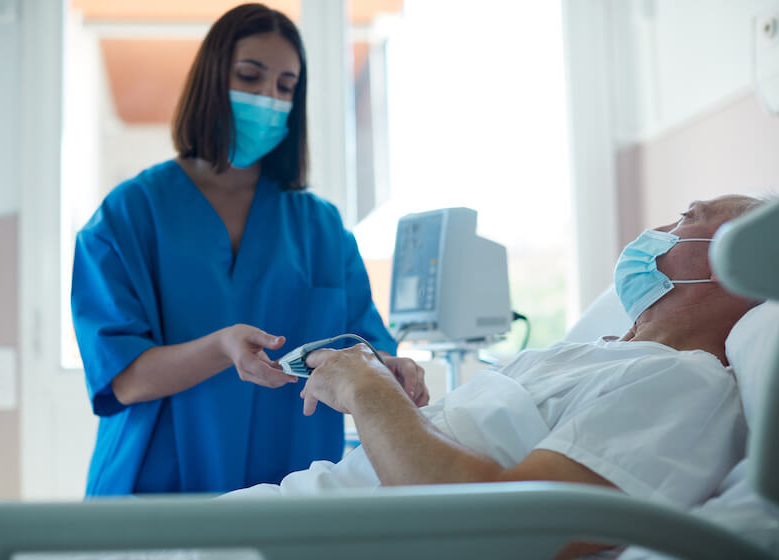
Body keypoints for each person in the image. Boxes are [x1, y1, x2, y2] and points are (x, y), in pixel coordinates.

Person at [226, 195, 764, 555]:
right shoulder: (598, 356)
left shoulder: (682, 385)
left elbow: (500, 533)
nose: (660, 231)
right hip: (268, 520)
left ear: (734, 259)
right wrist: (402, 414)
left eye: (688, 218)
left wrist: (368, 391)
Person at [71, 3, 428, 497]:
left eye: (285, 87)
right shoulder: (130, 214)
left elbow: (363, 348)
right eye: (250, 76)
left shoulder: (319, 227)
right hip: (157, 491)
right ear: (211, 80)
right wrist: (220, 348)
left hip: (290, 488)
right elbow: (123, 378)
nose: (269, 98)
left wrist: (390, 369)